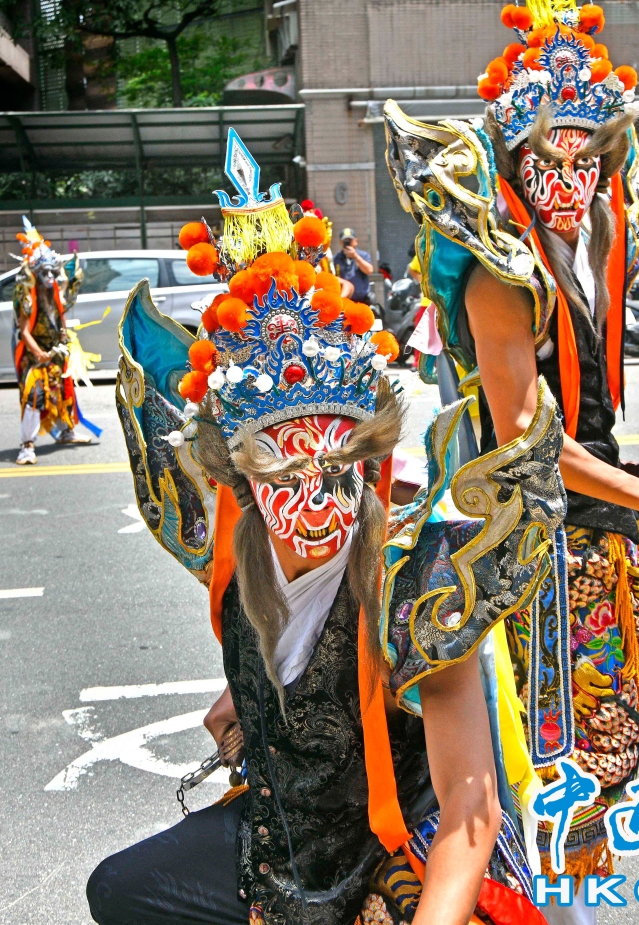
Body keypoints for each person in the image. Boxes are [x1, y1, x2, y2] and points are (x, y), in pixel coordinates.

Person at [87, 129, 566, 925]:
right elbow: (289, 643)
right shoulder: (230, 562)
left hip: (392, 851)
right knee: (121, 889)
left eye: (336, 471)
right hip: (286, 848)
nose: (315, 505)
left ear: (364, 460)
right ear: (242, 480)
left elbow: (469, 805)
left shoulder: (419, 584)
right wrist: (250, 699)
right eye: (285, 478)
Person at [386, 3, 639, 920]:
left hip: (594, 530)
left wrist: (631, 502)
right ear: (514, 163)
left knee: (600, 761)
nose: (567, 179)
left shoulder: (597, 242)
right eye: (548, 160)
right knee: (545, 767)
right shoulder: (499, 274)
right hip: (531, 543)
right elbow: (523, 436)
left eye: (584, 159)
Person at [12, 216, 96, 465]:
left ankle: (66, 431)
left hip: (55, 353)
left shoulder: (53, 293)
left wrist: (63, 338)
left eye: (52, 271)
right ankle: (27, 446)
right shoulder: (28, 296)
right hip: (34, 357)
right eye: (44, 272)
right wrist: (38, 353)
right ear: (35, 273)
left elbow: (60, 316)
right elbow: (24, 331)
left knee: (63, 391)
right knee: (34, 397)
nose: (50, 276)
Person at [333, 227, 374, 304]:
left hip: (362, 301)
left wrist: (355, 256)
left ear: (356, 241)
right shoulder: (336, 258)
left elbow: (369, 270)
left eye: (349, 240)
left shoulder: (363, 255)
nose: (347, 243)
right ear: (340, 242)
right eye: (345, 241)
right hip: (345, 300)